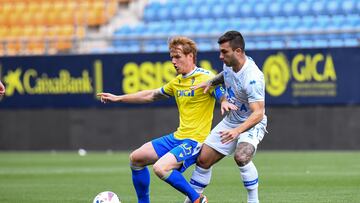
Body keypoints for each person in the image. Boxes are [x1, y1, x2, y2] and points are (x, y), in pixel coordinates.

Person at [97, 36, 224, 203]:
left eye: (177, 56)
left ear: (190, 56)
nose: (173, 61)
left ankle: (197, 199)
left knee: (160, 168)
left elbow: (220, 93)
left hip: (195, 140)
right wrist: (118, 98)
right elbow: (150, 95)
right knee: (136, 159)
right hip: (178, 137)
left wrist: (224, 102)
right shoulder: (177, 82)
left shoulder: (206, 77)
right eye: (171, 57)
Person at [184, 31, 267, 203]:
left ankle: (254, 200)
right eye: (220, 51)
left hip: (251, 122)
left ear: (238, 51)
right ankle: (192, 200)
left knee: (241, 157)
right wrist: (211, 82)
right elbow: (225, 76)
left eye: (224, 52)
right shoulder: (230, 64)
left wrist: (237, 131)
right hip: (232, 121)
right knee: (203, 160)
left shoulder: (252, 77)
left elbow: (258, 113)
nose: (220, 56)